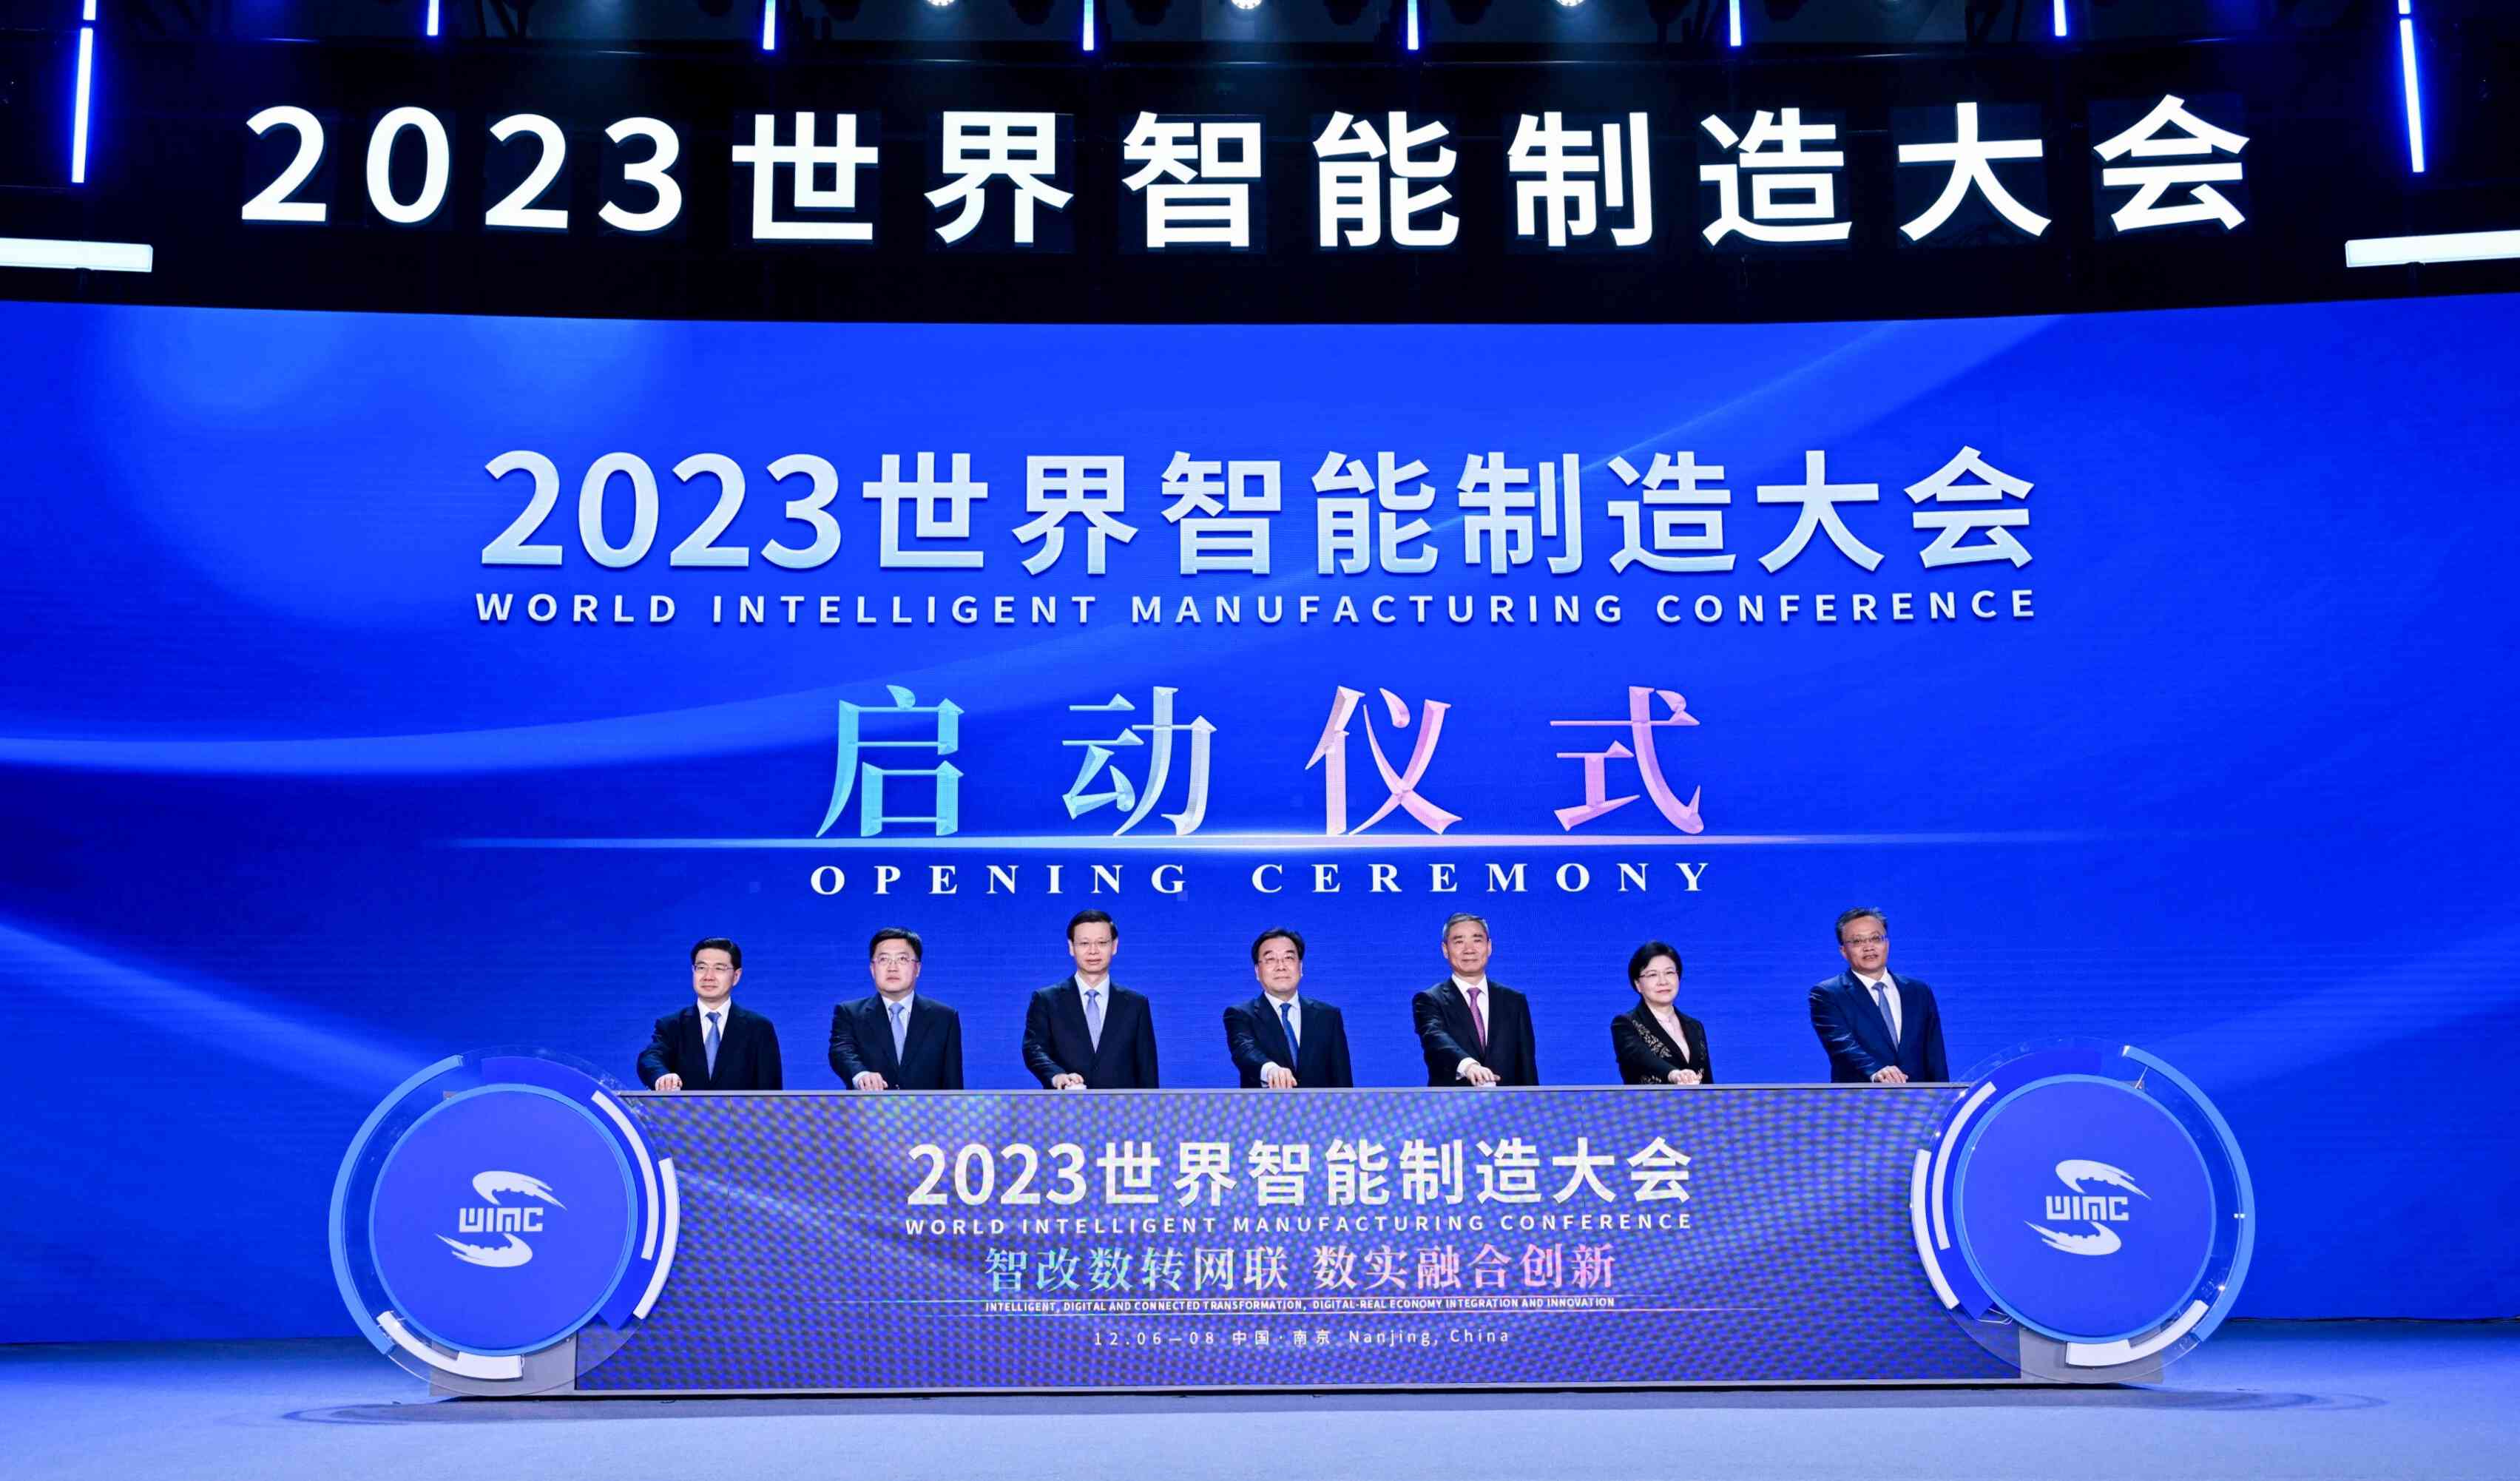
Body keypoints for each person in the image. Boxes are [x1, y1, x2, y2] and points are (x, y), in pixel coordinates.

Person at [1808, 908, 1950, 1084]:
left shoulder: (1919, 991)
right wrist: (1876, 1071)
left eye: (1876, 938)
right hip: (1860, 1097)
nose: (1869, 947)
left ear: (1887, 944)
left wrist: (1945, 1095)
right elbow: (1841, 1044)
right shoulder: (1828, 994)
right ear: (1843, 951)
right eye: (1857, 941)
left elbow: (1935, 1054)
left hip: (1918, 1098)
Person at [1021, 909, 1159, 1089]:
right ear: (1071, 947)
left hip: (1121, 1106)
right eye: (1084, 943)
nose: (1093, 951)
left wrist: (1151, 1106)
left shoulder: (1136, 1004)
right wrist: (1056, 1075)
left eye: (1101, 943)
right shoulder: (1046, 1000)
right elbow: (1034, 1049)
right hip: (1066, 1104)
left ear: (1114, 946)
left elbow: (1147, 1071)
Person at [828, 927, 965, 1090]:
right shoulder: (850, 1013)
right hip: (870, 1106)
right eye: (884, 959)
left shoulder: (944, 1017)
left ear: (917, 969)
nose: (892, 967)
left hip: (926, 1108)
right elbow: (841, 1052)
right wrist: (861, 1075)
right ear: (872, 969)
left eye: (902, 959)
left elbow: (953, 1085)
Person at [638, 937, 783, 1091]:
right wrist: (661, 1077)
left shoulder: (759, 1028)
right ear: (693, 971)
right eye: (701, 968)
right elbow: (650, 1058)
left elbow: (771, 1094)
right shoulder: (672, 1025)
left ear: (736, 976)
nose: (708, 976)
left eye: (719, 968)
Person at [1412, 912, 1538, 1087]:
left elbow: (1527, 1067)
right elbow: (1435, 1038)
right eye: (1459, 942)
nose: (1469, 949)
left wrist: (1533, 1101)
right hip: (1452, 1103)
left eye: (1477, 940)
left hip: (1507, 1104)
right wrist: (1468, 1066)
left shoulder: (1514, 1001)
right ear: (1445, 950)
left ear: (1489, 947)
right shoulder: (1429, 1000)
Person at [1223, 928, 1355, 1089]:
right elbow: (1245, 1051)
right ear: (1257, 971)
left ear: (1301, 967)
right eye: (1271, 959)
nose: (1281, 966)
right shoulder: (1240, 1015)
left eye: (1288, 958)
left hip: (1320, 1106)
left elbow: (1343, 1084)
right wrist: (1271, 1070)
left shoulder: (1328, 1016)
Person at [1610, 940, 1713, 1085]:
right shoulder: (1625, 1024)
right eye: (1653, 975)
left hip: (1695, 1101)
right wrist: (1674, 1075)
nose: (1663, 981)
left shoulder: (1695, 1027)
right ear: (1638, 984)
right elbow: (1641, 1057)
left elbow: (1708, 1083)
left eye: (1669, 972)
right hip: (1648, 1101)